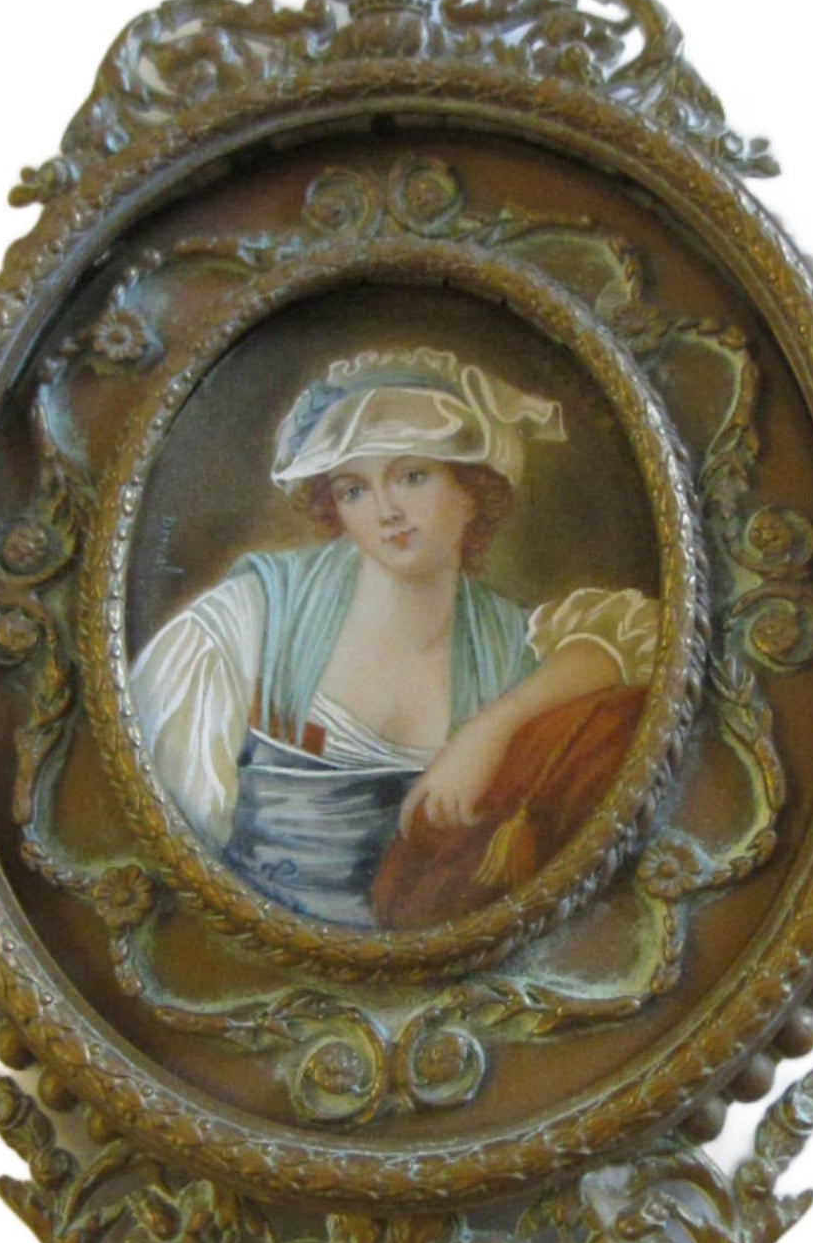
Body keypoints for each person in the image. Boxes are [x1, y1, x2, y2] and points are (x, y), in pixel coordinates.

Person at [130, 347, 659, 929]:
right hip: (262, 948)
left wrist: (492, 726)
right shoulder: (261, 613)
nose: (386, 511)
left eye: (411, 476)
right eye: (353, 490)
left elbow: (634, 645)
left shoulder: (509, 643)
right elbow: (168, 834)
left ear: (472, 487)